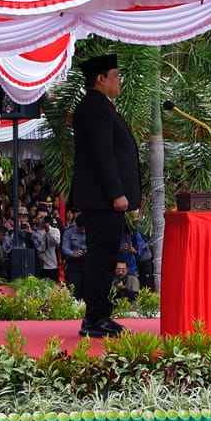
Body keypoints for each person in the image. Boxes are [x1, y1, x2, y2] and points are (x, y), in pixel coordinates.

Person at [70, 54, 141, 337]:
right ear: (100, 79)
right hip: (102, 199)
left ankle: (98, 315)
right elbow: (104, 155)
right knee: (101, 257)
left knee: (106, 256)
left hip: (103, 199)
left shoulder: (100, 106)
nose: (119, 81)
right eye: (115, 75)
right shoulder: (95, 107)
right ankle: (95, 318)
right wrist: (116, 193)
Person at [61, 210, 87, 285]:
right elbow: (64, 248)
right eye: (81, 229)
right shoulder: (69, 231)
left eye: (85, 228)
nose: (83, 231)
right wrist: (73, 253)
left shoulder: (91, 230)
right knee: (74, 287)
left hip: (87, 262)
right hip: (73, 263)